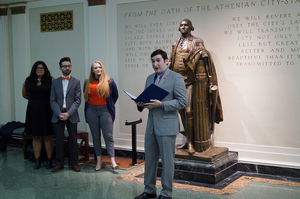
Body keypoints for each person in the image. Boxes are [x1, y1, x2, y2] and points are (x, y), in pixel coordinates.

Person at [135, 49, 187, 199]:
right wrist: (139, 104)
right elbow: (147, 100)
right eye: (153, 61)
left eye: (158, 60)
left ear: (166, 61)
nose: (155, 64)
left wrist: (162, 105)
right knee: (150, 160)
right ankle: (149, 190)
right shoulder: (149, 78)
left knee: (167, 162)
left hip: (167, 126)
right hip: (151, 126)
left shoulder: (176, 78)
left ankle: (166, 193)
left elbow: (183, 102)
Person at [169, 19, 223, 154]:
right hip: (177, 81)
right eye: (181, 25)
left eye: (186, 25)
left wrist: (196, 53)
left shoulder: (196, 40)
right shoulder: (175, 44)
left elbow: (203, 54)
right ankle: (188, 140)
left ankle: (192, 143)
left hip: (191, 81)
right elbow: (171, 61)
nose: (183, 27)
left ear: (191, 27)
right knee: (181, 112)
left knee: (188, 111)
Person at [83, 61, 119, 171]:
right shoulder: (87, 81)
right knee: (96, 137)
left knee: (108, 136)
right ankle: (98, 160)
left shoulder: (109, 81)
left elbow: (115, 96)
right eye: (95, 68)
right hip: (91, 111)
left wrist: (109, 106)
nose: (98, 69)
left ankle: (112, 161)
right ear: (92, 70)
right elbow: (86, 97)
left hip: (105, 111)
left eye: (100, 67)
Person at [50, 57, 82, 172]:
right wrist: (59, 114)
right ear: (60, 68)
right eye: (65, 66)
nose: (67, 68)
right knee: (58, 140)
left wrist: (68, 113)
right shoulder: (55, 82)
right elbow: (52, 100)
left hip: (71, 115)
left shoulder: (76, 82)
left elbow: (78, 100)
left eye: (69, 66)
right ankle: (59, 163)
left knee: (73, 140)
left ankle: (74, 163)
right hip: (58, 115)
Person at [22, 61, 54, 170]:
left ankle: (49, 160)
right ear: (34, 69)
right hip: (33, 111)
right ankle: (37, 160)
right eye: (37, 68)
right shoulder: (29, 80)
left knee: (47, 135)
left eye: (42, 68)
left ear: (45, 70)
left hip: (47, 111)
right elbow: (25, 94)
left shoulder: (51, 80)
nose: (40, 69)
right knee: (36, 136)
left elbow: (55, 94)